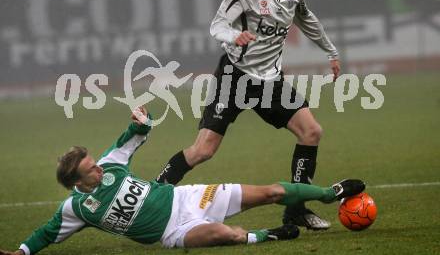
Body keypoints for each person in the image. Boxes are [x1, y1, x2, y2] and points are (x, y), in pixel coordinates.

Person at [0, 107, 364, 255]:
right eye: (91, 170)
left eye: (96, 163)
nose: (99, 169)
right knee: (227, 235)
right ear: (78, 183)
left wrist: (142, 119)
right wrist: (21, 252)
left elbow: (134, 135)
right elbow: (46, 233)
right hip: (172, 234)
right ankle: (267, 235)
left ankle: (332, 194)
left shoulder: (111, 165)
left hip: (189, 199)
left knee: (272, 191)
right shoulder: (76, 208)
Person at [155, 0, 341, 231]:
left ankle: (295, 210)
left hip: (270, 80)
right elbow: (217, 25)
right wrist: (233, 35)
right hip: (235, 77)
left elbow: (305, 17)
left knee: (312, 132)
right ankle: (153, 194)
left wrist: (330, 52)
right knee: (203, 150)